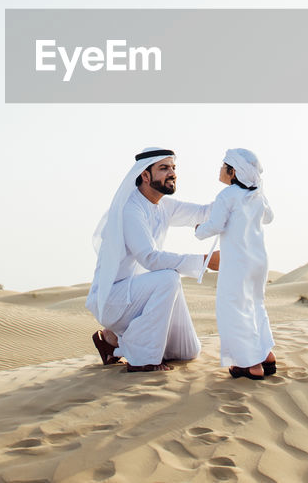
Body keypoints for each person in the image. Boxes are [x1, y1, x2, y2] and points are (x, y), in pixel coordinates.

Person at [87, 148, 221, 373]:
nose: (172, 173)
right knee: (168, 277)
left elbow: (204, 213)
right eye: (164, 168)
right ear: (145, 175)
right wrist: (205, 261)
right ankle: (142, 359)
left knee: (189, 351)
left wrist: (240, 193)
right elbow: (149, 257)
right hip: (114, 299)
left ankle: (113, 342)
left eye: (173, 168)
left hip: (141, 295)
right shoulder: (131, 209)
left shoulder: (164, 206)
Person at [194, 148, 276, 380]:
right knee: (255, 305)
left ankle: (250, 365)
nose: (220, 169)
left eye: (223, 165)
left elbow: (216, 225)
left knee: (234, 310)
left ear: (233, 172)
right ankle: (266, 355)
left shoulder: (228, 196)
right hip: (259, 262)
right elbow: (269, 217)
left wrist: (199, 231)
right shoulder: (257, 195)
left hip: (238, 263)